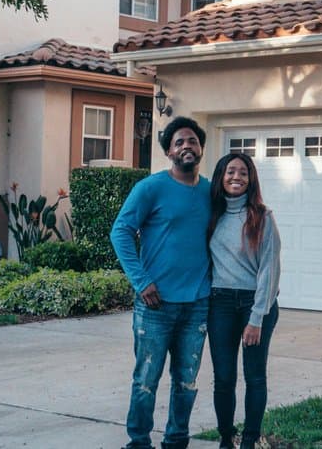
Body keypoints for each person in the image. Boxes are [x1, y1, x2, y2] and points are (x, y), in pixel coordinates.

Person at [110, 116, 212, 449]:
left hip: (197, 304)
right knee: (145, 381)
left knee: (187, 382)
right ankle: (138, 442)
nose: (187, 146)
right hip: (155, 304)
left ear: (200, 149)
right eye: (179, 142)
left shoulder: (211, 191)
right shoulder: (151, 188)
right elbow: (121, 232)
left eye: (192, 141)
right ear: (169, 151)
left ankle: (176, 441)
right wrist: (141, 281)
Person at [205, 152, 282, 449]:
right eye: (230, 172)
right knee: (223, 377)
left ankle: (249, 440)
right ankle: (227, 437)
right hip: (220, 303)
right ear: (221, 177)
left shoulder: (262, 216)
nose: (236, 177)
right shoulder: (212, 214)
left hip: (256, 303)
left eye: (243, 173)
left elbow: (270, 270)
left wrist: (257, 317)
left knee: (255, 377)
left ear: (251, 180)